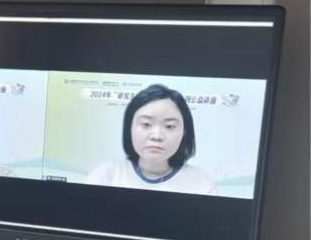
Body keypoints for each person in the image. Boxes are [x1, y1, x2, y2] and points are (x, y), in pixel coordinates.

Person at [85, 83, 218, 194]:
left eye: (169, 126)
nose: (156, 136)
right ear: (129, 127)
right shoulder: (106, 175)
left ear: (184, 132)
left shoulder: (201, 183)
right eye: (146, 124)